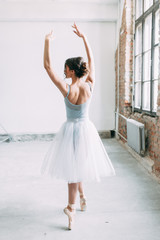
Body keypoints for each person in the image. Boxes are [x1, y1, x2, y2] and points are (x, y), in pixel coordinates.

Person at [41, 22, 116, 230]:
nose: (63, 70)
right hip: (86, 130)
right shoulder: (89, 84)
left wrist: (47, 41)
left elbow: (47, 66)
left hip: (70, 131)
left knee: (72, 172)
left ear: (72, 71)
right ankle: (83, 197)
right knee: (79, 166)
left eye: (66, 68)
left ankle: (71, 208)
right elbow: (91, 60)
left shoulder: (67, 89)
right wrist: (84, 38)